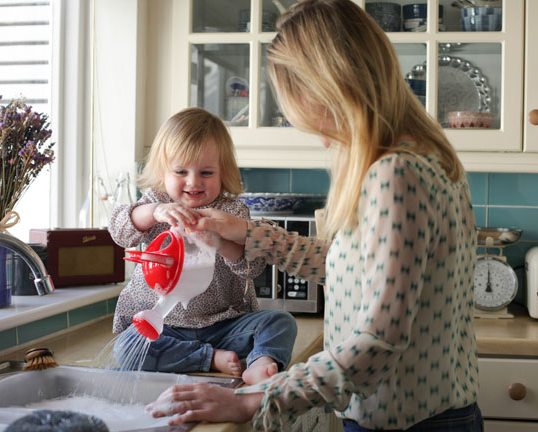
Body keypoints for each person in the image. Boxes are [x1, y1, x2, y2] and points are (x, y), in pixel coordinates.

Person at [145, 0, 482, 430]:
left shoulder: (396, 173)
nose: (317, 137)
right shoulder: (424, 156)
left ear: (332, 89)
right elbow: (354, 271)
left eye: (307, 114)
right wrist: (248, 234)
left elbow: (378, 341)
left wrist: (252, 400)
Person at [108, 107, 297, 385]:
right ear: (163, 171)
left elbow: (251, 267)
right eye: (181, 171)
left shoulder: (231, 211)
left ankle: (260, 362)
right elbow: (118, 229)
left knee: (280, 323)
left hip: (224, 325)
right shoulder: (155, 203)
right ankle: (209, 358)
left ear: (224, 172)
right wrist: (154, 211)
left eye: (206, 172)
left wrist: (221, 242)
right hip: (164, 326)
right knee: (126, 349)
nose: (193, 181)